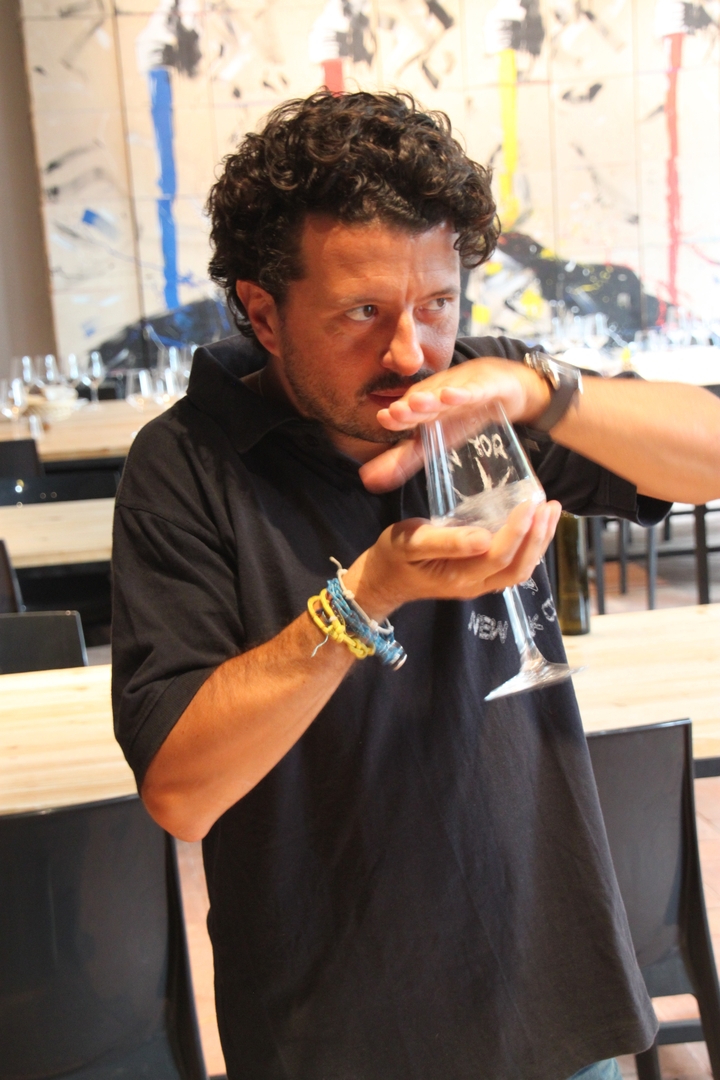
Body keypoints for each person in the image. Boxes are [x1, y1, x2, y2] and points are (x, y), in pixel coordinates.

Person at [112, 91, 720, 1080]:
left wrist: (542, 391)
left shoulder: (478, 396)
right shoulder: (186, 466)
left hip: (550, 997)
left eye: (437, 304)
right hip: (335, 1027)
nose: (409, 352)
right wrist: (366, 598)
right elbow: (182, 792)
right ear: (262, 313)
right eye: (361, 313)